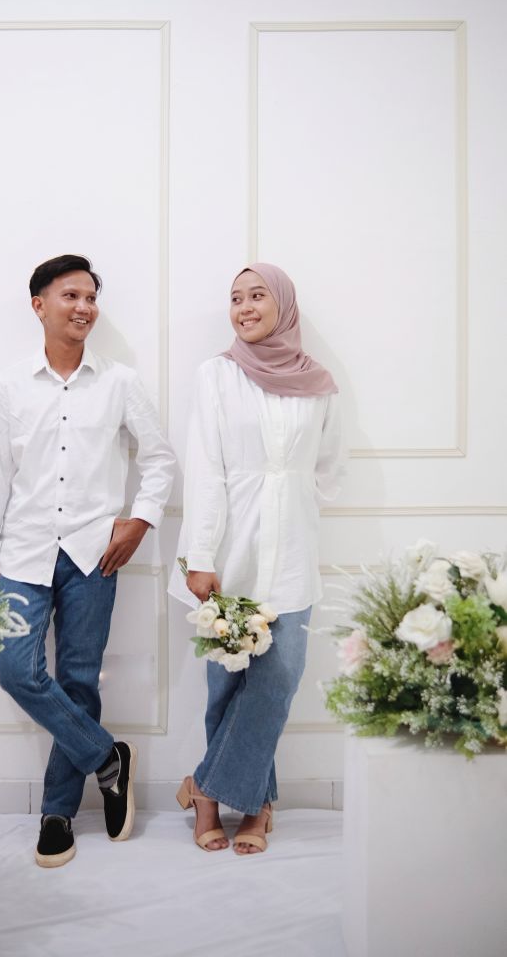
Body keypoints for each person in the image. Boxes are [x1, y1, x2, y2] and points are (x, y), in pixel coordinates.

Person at [0, 254, 176, 868]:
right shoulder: (11, 386)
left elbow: (159, 458)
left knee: (79, 681)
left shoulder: (120, 382)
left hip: (94, 553)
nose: (84, 307)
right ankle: (107, 757)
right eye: (70, 296)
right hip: (23, 551)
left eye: (91, 297)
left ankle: (57, 812)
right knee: (16, 670)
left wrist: (140, 520)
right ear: (39, 305)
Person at [170, 263, 345, 855]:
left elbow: (330, 468)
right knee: (226, 686)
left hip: (293, 555)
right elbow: (205, 468)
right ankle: (253, 805)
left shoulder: (318, 383)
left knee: (277, 680)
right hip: (230, 553)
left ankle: (205, 787)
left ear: (284, 305)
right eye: (235, 298)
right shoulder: (217, 375)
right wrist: (200, 554)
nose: (244, 307)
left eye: (257, 295)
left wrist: (291, 498)